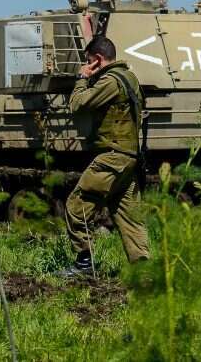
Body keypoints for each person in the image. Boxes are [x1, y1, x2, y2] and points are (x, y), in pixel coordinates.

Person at [59, 36, 150, 277]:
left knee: (76, 205)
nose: (87, 65)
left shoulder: (110, 81)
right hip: (128, 156)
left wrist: (82, 78)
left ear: (98, 60)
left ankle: (84, 263)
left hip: (113, 156)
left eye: (90, 61)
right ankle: (143, 269)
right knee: (127, 214)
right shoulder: (129, 77)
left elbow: (78, 104)